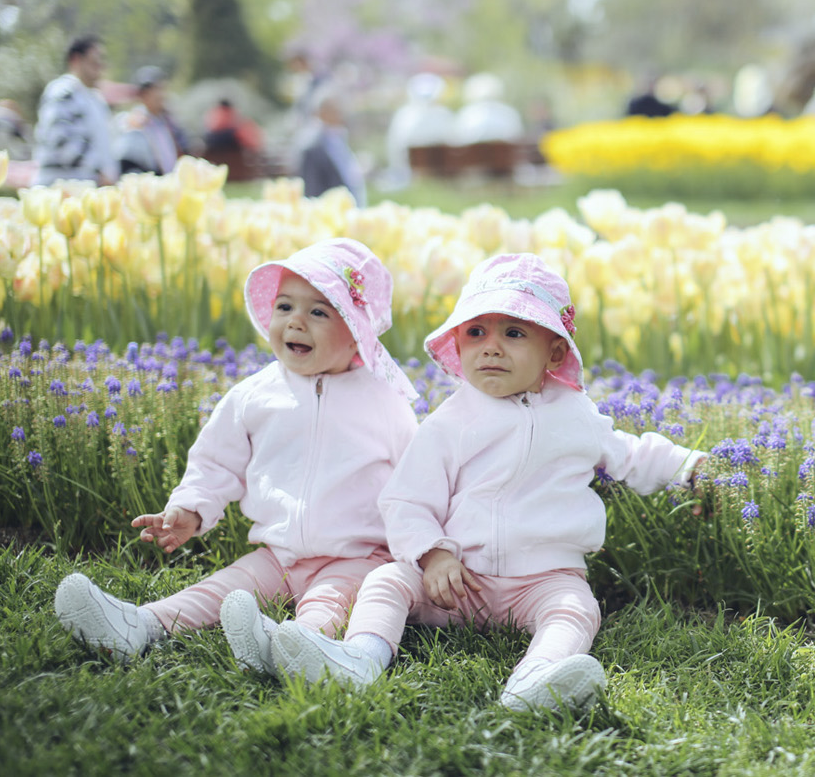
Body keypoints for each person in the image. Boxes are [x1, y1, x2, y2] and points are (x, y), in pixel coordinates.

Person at [270, 253, 707, 712]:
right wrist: (434, 555)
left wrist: (693, 468)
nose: (491, 347)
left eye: (513, 333)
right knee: (387, 581)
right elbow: (406, 498)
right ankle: (361, 656)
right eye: (476, 332)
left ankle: (536, 679)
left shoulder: (577, 415)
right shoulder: (451, 421)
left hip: (543, 579)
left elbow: (634, 455)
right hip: (460, 582)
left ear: (554, 351)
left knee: (575, 609)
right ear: (458, 344)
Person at [54, 238, 420, 671]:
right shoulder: (256, 394)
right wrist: (191, 508)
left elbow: (415, 482)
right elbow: (215, 461)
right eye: (284, 307)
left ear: (358, 332)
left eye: (318, 312)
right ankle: (139, 624)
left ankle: (300, 644)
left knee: (328, 601)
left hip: (357, 555)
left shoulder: (385, 403)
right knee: (224, 589)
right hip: (277, 551)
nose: (295, 323)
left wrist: (421, 550)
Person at [32, 34, 118, 186]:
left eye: (102, 61)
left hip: (88, 188)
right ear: (76, 60)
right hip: (61, 189)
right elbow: (61, 141)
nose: (100, 66)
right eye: (95, 61)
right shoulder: (63, 91)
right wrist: (98, 173)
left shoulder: (95, 98)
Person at [115, 66, 192, 175]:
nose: (161, 94)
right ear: (143, 95)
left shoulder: (167, 120)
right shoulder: (136, 121)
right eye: (155, 90)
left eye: (162, 89)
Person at [296, 88, 367, 205]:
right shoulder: (313, 146)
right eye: (335, 110)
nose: (341, 113)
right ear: (322, 112)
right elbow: (312, 192)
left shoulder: (339, 138)